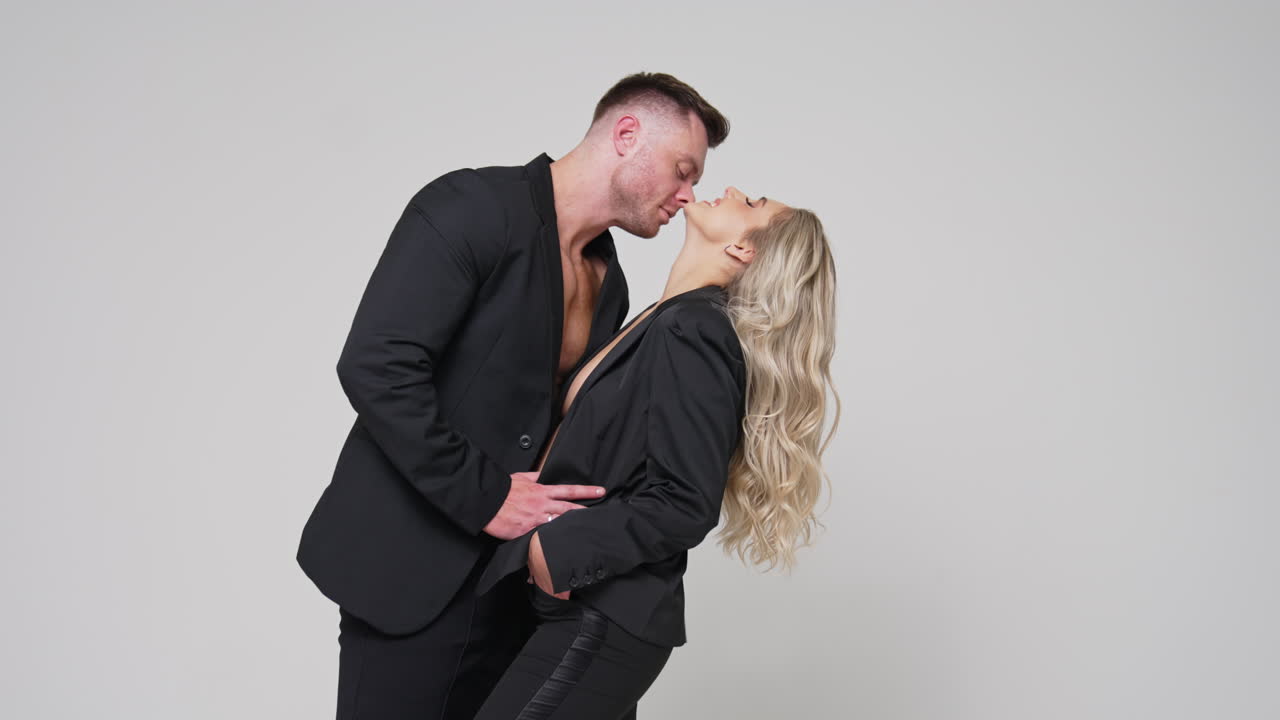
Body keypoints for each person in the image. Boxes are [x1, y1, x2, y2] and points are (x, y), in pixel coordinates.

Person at [295, 73, 729, 720]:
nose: (688, 195)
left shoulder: (608, 278)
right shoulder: (471, 206)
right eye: (682, 170)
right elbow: (377, 366)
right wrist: (488, 496)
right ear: (627, 134)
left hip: (514, 588)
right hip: (409, 573)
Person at [471, 186, 839, 719]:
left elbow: (686, 501)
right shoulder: (668, 317)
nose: (732, 191)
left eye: (752, 204)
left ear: (742, 249)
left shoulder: (696, 328)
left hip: (604, 615)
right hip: (579, 607)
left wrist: (556, 551)